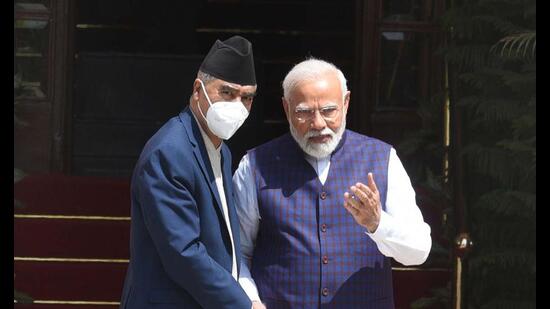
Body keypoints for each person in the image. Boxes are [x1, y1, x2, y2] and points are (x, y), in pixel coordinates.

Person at [233, 58, 432, 308]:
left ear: (346, 103)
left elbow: (418, 251)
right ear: (286, 108)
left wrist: (378, 223)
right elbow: (237, 252)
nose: (318, 124)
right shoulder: (254, 165)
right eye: (304, 112)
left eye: (328, 110)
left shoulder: (383, 158)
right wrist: (250, 299)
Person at [119, 35, 260, 309]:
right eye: (227, 93)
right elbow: (182, 252)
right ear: (198, 90)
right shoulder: (170, 152)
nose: (237, 106)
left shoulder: (221, 149)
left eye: (247, 98)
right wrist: (242, 304)